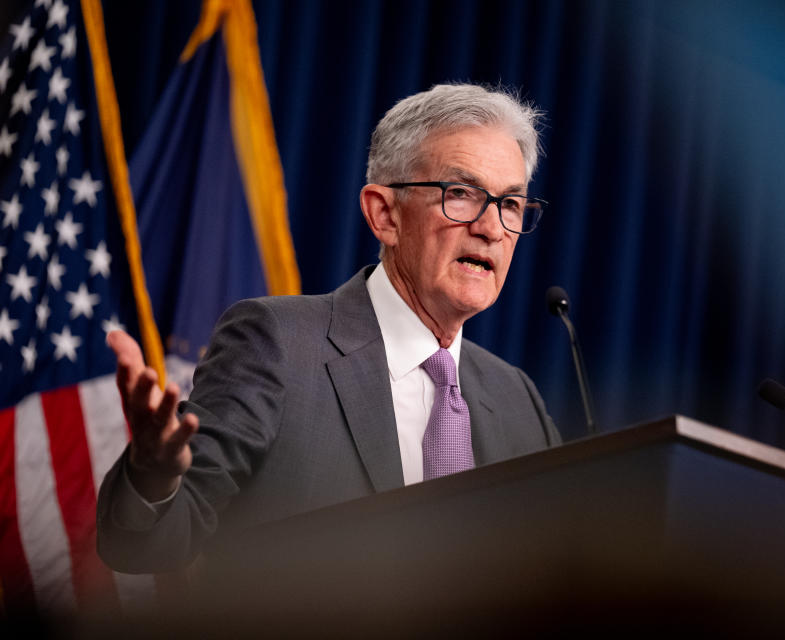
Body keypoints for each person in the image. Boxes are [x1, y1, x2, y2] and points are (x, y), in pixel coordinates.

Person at [96, 84, 562, 573]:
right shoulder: (275, 344)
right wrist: (153, 478)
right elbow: (146, 546)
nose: (492, 228)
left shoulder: (517, 399)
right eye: (462, 194)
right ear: (385, 214)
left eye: (510, 204)